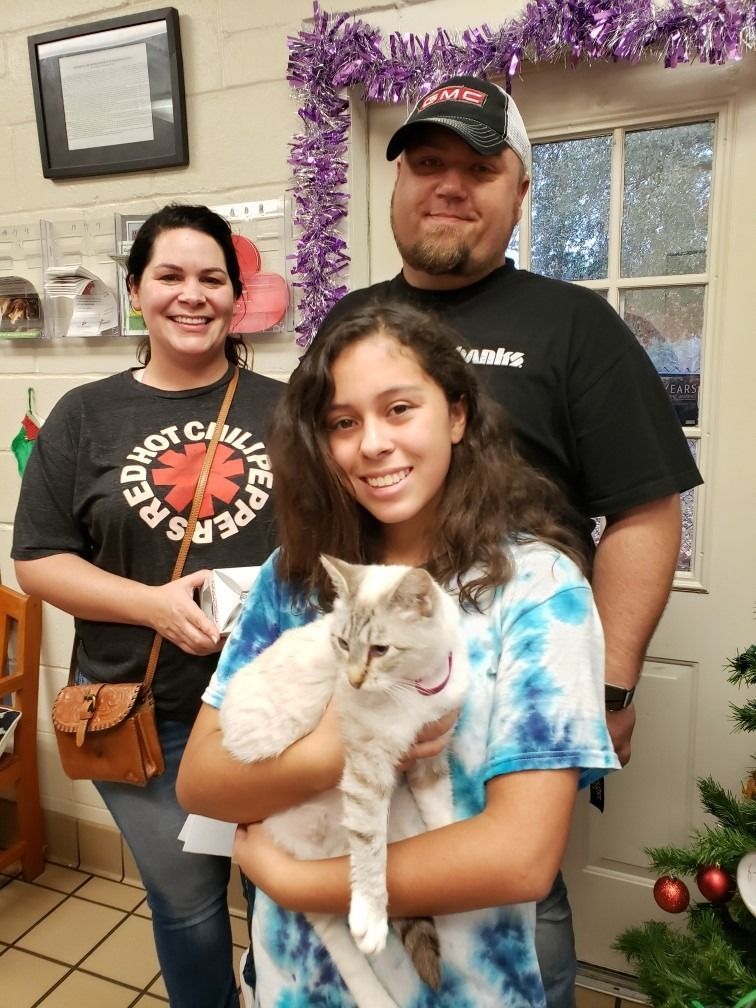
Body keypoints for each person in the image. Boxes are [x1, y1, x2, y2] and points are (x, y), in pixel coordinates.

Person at [316, 75, 703, 1004]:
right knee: (354, 889)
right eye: (429, 163)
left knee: (514, 916)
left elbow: (647, 511)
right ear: (399, 182)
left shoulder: (574, 326)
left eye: (480, 167)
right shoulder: (348, 322)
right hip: (364, 681)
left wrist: (609, 684)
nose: (450, 184)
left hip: (507, 694)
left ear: (520, 191)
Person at [177, 301, 621, 1006]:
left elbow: (521, 857)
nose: (373, 444)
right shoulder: (294, 579)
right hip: (303, 978)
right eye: (343, 423)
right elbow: (201, 783)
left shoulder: (535, 590)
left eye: (400, 409)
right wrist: (349, 744)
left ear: (457, 415)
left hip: (461, 984)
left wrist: (300, 882)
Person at [12, 204, 282, 1008]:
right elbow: (38, 561)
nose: (191, 295)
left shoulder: (288, 407)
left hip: (275, 710)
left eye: (212, 278)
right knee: (189, 903)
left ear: (238, 297)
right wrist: (154, 606)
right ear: (136, 291)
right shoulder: (84, 415)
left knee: (281, 896)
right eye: (169, 276)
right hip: (141, 711)